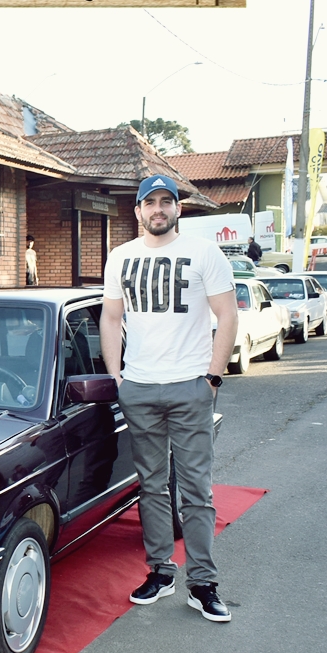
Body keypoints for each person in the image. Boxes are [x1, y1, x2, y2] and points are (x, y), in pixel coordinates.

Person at [100, 174, 237, 624]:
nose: (158, 209)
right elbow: (111, 317)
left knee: (196, 489)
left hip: (190, 386)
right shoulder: (120, 256)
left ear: (178, 208)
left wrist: (212, 378)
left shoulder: (204, 253)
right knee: (152, 486)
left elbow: (227, 314)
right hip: (139, 388)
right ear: (138, 210)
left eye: (166, 201)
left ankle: (203, 584)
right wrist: (118, 377)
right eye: (150, 202)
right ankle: (161, 572)